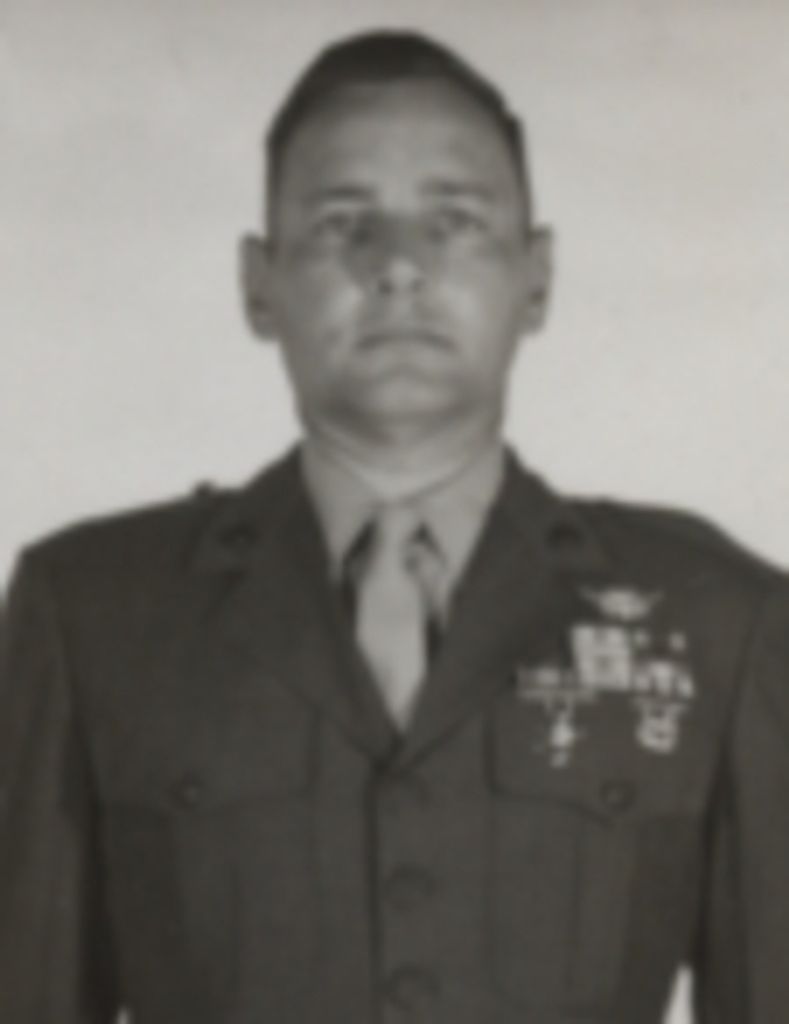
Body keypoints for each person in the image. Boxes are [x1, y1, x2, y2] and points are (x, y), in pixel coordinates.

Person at [1, 29, 788, 1024]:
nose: (400, 267)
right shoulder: (93, 610)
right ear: (258, 284)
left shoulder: (719, 616)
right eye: (343, 223)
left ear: (537, 277)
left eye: (454, 221)